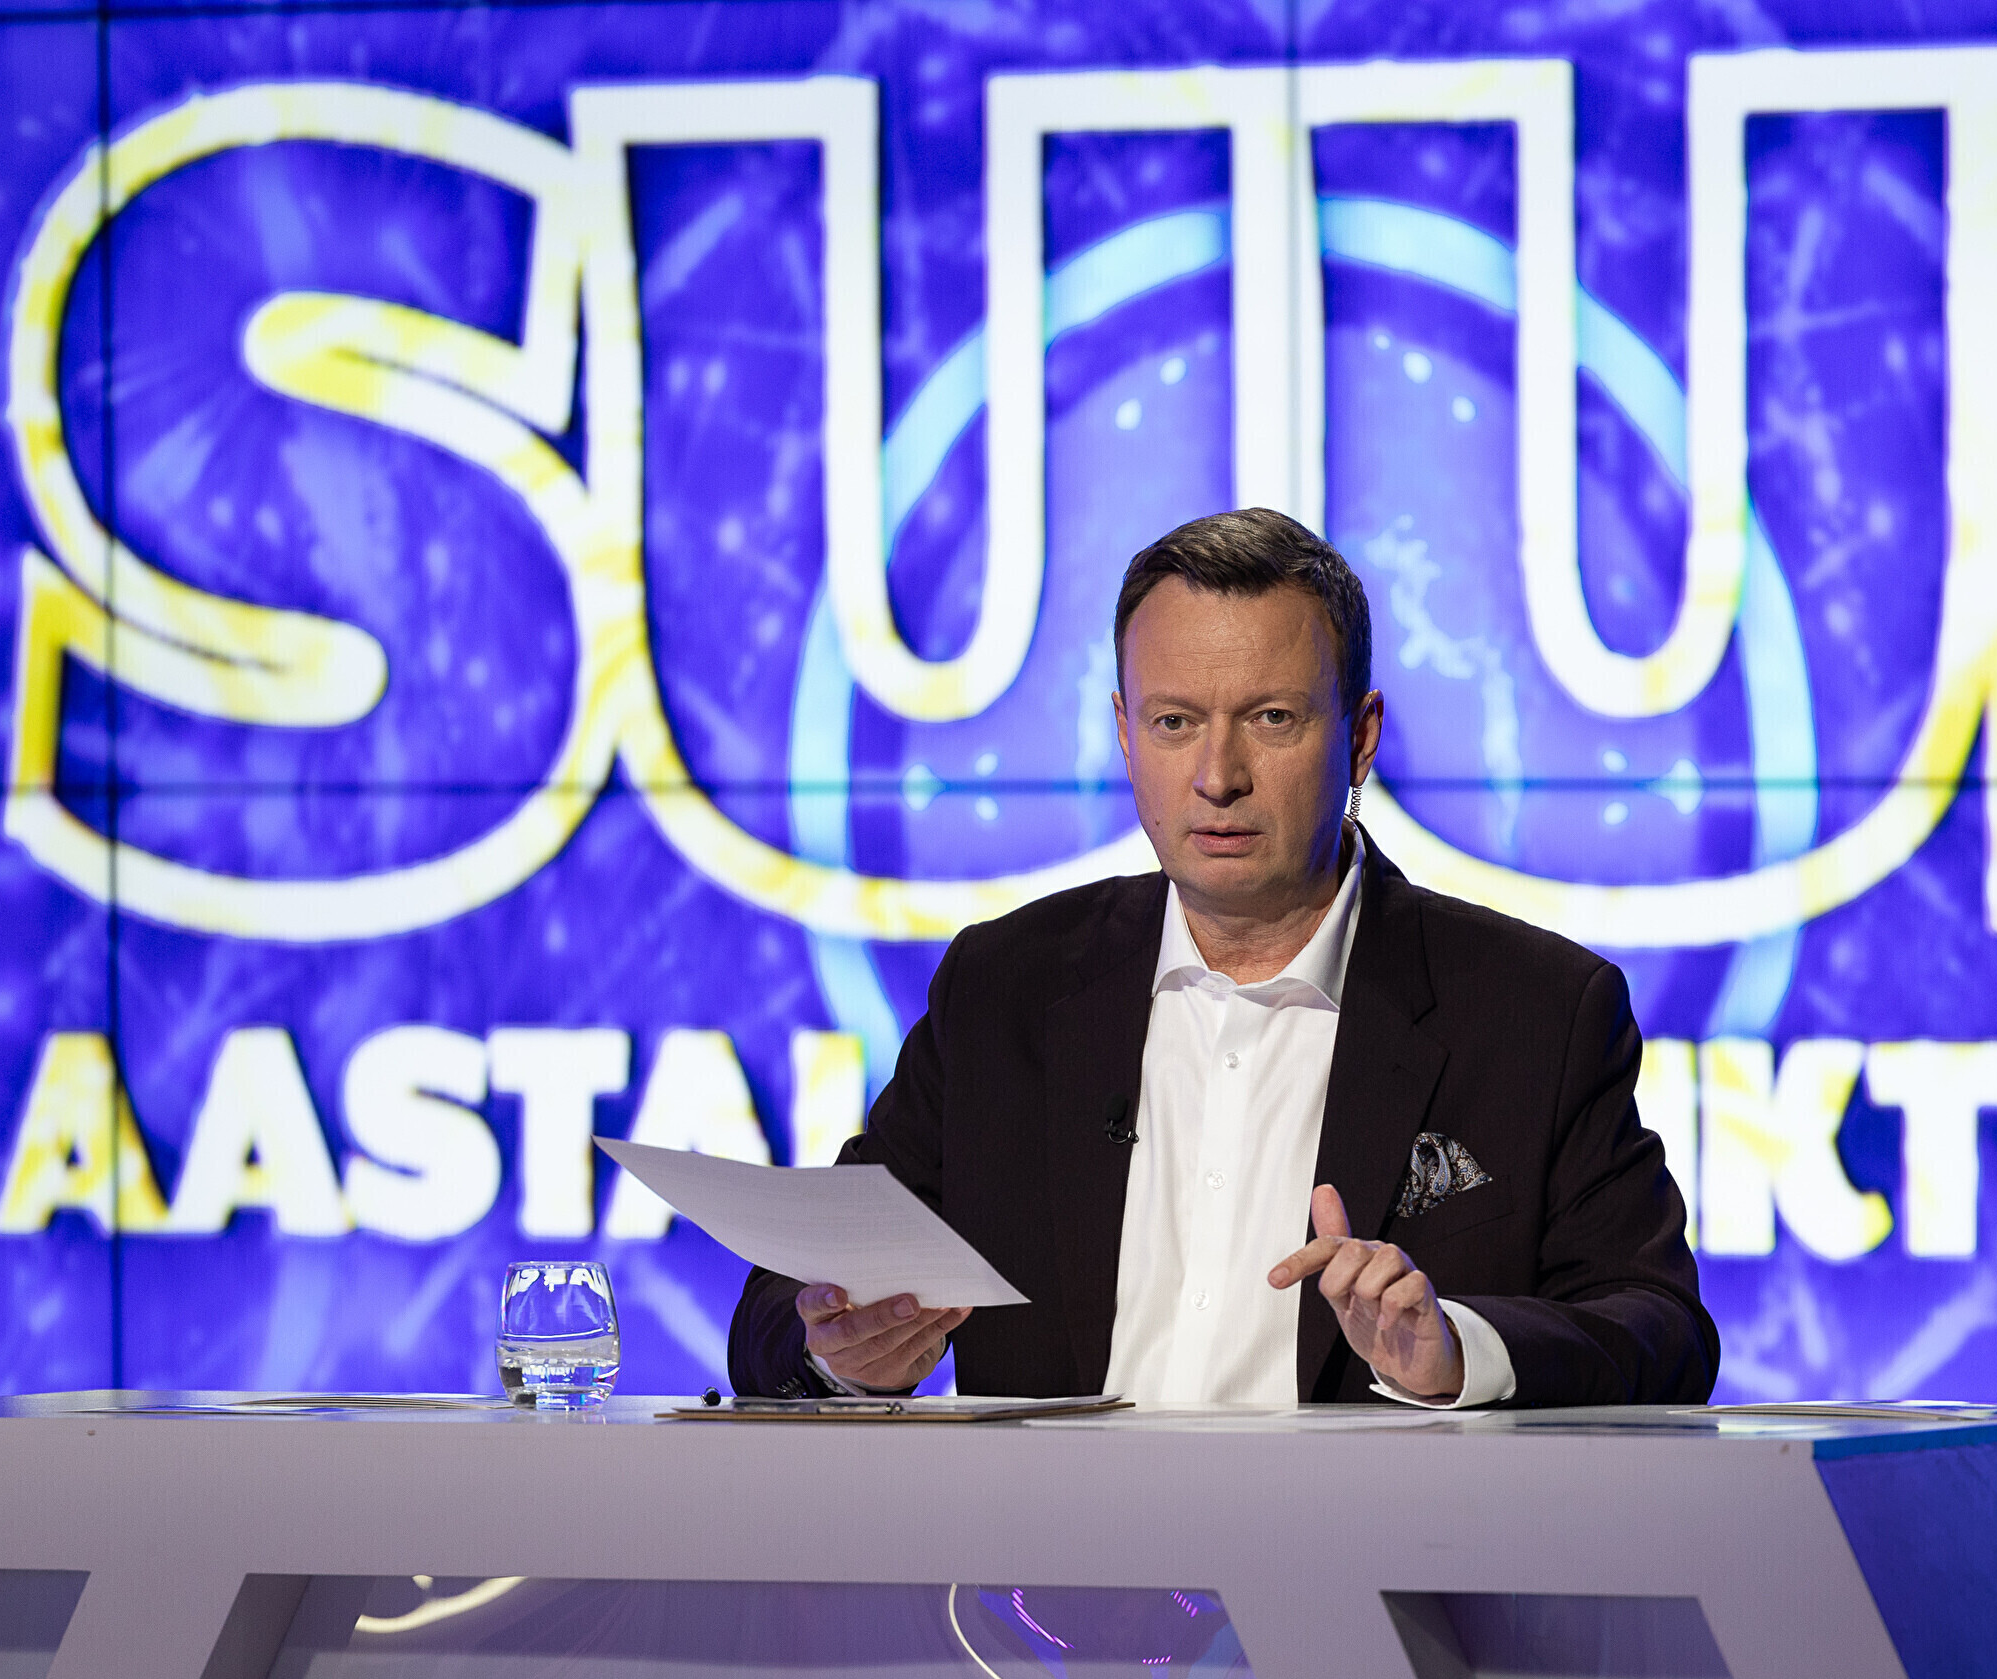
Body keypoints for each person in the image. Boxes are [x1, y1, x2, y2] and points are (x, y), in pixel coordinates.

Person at [728, 508, 1714, 1408]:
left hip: (1362, 1546)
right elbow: (786, 1306)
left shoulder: (1535, 1011)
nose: (1217, 776)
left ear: (1361, 737)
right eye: (1175, 722)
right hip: (1046, 1550)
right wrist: (843, 1351)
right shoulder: (1005, 988)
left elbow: (1661, 1332)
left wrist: (1456, 1350)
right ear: (1125, 734)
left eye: (1272, 718)